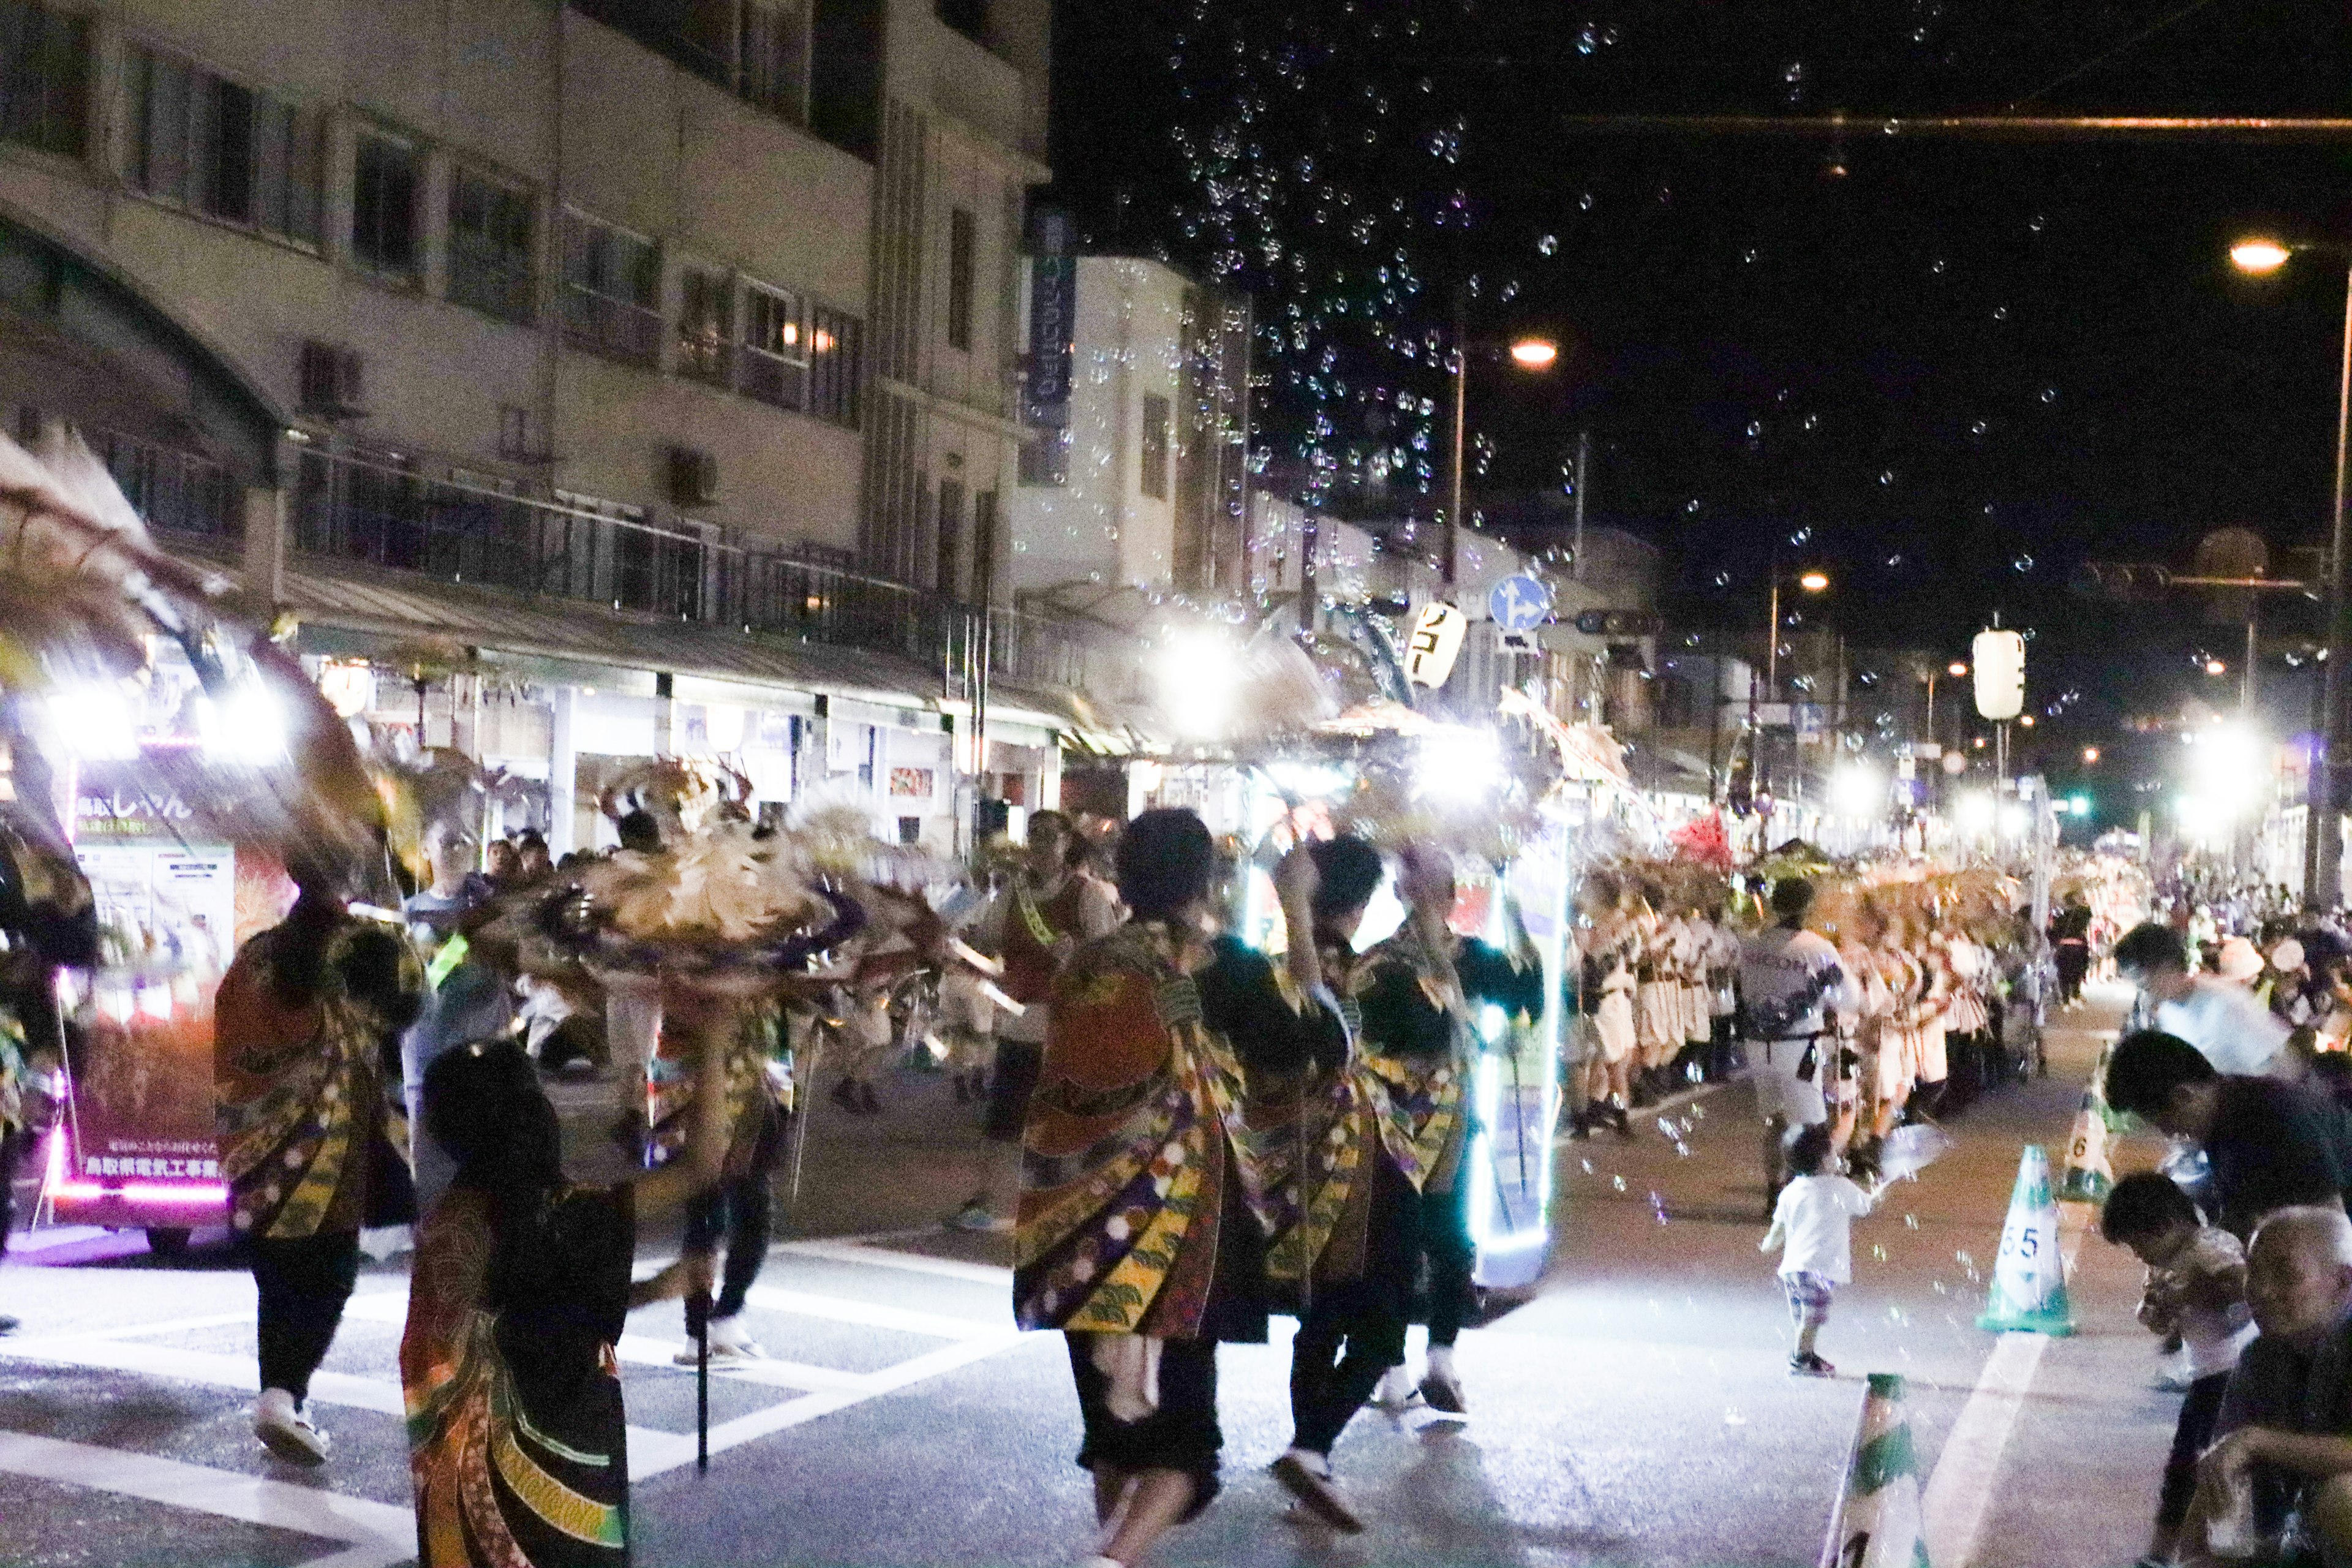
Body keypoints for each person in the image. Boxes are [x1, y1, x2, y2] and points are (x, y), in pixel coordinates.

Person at [1015, 810, 1343, 1568]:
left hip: (1079, 1223)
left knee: (1113, 1438)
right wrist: (1295, 908)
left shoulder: (1090, 963)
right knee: (1187, 1453)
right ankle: (1110, 1561)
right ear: (1205, 882)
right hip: (1180, 1228)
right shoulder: (1223, 964)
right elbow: (1322, 1049)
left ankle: (1117, 1553)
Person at [402, 1011, 725, 1566]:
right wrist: (714, 1041)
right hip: (563, 1479)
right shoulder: (566, 1211)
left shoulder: (450, 1225)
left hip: (467, 1497)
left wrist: (659, 1286)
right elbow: (702, 1166)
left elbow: (538, 1316)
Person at [216, 855, 424, 1463]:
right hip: (330, 1148)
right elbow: (412, 1007)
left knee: (277, 1279)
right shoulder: (372, 946)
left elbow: (231, 1033)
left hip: (257, 1146)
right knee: (330, 1275)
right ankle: (284, 1395)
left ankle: (281, 1398)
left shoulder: (256, 954)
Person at [1363, 845, 1544, 1417]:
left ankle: (1438, 1356)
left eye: (1437, 890)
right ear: (1400, 895)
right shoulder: (1377, 965)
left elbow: (1528, 987)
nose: (1425, 900)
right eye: (1416, 889)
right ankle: (1394, 1368)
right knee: (1399, 1244)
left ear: (1453, 898)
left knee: (1442, 1242)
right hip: (1390, 1121)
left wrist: (1511, 902)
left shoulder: (1466, 957)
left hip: (1445, 1124)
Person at [957, 810, 1121, 1229]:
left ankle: (1072, 1202)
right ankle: (989, 1200)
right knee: (1005, 1115)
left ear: (1068, 842)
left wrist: (1078, 952)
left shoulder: (1087, 896)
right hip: (1019, 1020)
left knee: (1064, 1117)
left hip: (1067, 1023)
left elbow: (1108, 960)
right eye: (1034, 836)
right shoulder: (1012, 894)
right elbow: (985, 942)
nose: (1041, 845)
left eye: (1050, 836)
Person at [2099, 1172, 2255, 1567]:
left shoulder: (2209, 1247)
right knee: (2190, 1466)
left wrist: (2193, 1292)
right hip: (2208, 1374)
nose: (2138, 1254)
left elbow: (2246, 1287)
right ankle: (2173, 1551)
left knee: (2195, 1465)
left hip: (2234, 1371)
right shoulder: (2165, 1262)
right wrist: (2159, 1309)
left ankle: (2178, 1553)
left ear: (2167, 1226)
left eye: (2139, 1243)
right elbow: (2159, 1320)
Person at [2187, 1207, 2352, 1563]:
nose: (2262, 1290)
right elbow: (2222, 1471)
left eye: (2285, 1274)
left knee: (2342, 1498)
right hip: (2305, 1539)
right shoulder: (2261, 1358)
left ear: (2342, 1282)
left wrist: (2256, 1442)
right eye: (2254, 1272)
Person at [2104, 1030, 2352, 1240]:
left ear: (2184, 1096)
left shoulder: (2279, 1118)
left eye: (2164, 1122)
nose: (2169, 1134)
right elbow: (2241, 1216)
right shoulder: (2222, 1117)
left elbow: (2333, 1233)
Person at [1738, 876, 1860, 1210]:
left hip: (1758, 1042)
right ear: (1808, 907)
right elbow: (1850, 998)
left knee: (1776, 1119)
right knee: (1811, 1121)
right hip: (1798, 1044)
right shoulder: (1817, 947)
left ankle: (1774, 1190)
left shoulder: (1751, 944)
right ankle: (1805, 1194)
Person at [1760, 1121, 1882, 1377]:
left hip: (1793, 1270)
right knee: (1812, 1317)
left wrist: (1769, 1245)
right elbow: (1866, 1206)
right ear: (1826, 1158)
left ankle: (1806, 1353)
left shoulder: (1791, 1191)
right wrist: (1878, 1188)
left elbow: (1778, 1228)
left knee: (1804, 1317)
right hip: (1819, 1269)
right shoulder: (1841, 1187)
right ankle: (1799, 1360)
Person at [2115, 921, 2288, 1077]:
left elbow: (2281, 1066)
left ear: (2166, 967)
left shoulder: (2223, 1002)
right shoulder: (2168, 1012)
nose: (2145, 994)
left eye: (2145, 984)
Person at [2051, 892, 2094, 1008]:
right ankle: (2075, 995)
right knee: (2078, 971)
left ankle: (2065, 1000)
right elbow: (2089, 915)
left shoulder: (2059, 913)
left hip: (2063, 947)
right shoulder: (2082, 912)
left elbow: (2054, 928)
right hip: (2079, 946)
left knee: (2063, 974)